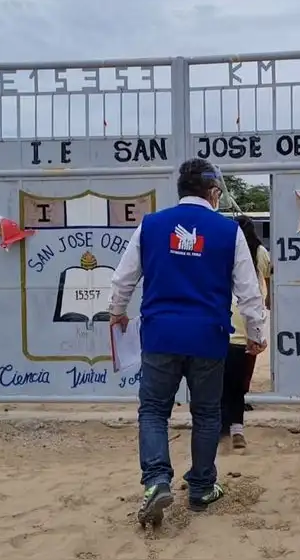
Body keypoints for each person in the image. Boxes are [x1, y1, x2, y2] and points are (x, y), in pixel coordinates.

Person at [108, 158, 268, 526]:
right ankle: (201, 487)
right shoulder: (229, 233)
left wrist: (117, 311)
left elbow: (123, 279)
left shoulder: (151, 225)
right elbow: (248, 293)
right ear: (213, 193)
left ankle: (156, 482)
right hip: (208, 338)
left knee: (153, 411)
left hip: (161, 334)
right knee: (207, 413)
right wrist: (257, 336)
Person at [221, 214, 272, 449]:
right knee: (243, 373)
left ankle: (222, 422)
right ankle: (237, 427)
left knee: (220, 377)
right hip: (249, 314)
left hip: (224, 317)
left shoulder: (224, 247)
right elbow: (268, 274)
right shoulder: (260, 252)